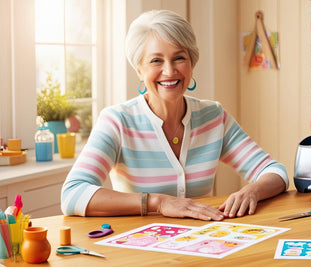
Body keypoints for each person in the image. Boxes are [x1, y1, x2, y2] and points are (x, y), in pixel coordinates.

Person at [61, 10, 288, 221]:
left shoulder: (213, 117)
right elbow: (72, 194)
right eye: (156, 60)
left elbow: (275, 172)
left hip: (203, 245)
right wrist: (157, 202)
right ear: (139, 69)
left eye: (179, 58)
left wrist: (252, 191)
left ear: (192, 63)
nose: (169, 71)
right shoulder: (117, 121)